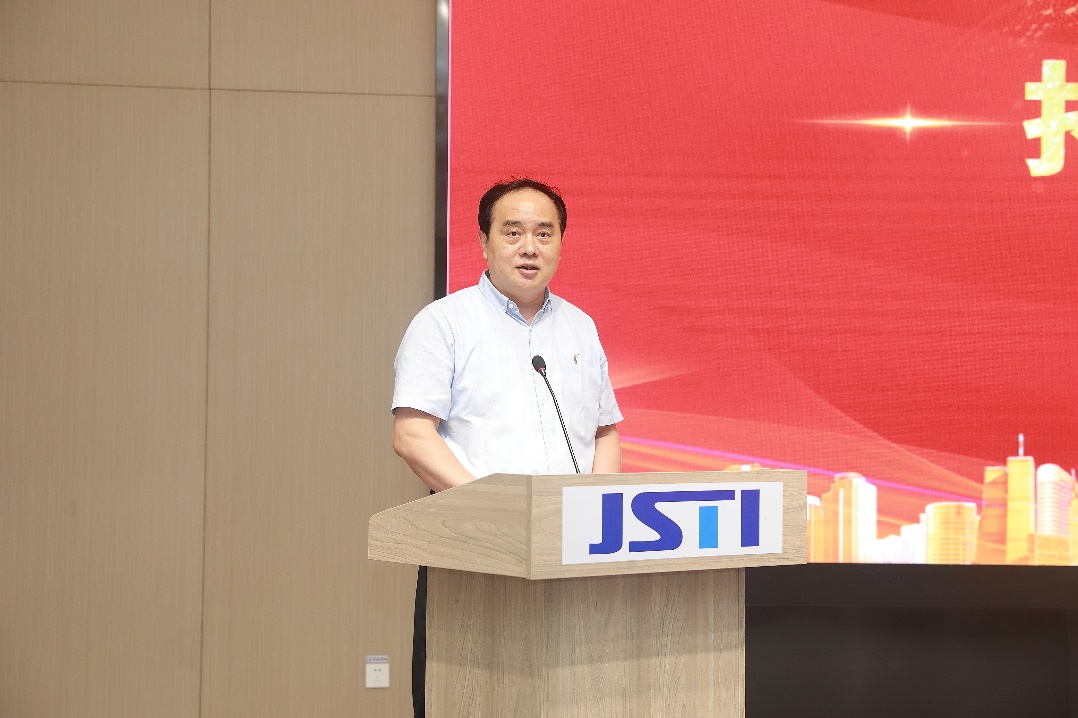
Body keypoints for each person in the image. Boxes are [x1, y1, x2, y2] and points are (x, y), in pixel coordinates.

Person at [390, 177, 622, 717]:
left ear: (560, 243)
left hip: (569, 550)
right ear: (484, 241)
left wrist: (600, 512)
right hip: (475, 546)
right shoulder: (443, 323)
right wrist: (496, 513)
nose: (529, 247)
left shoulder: (581, 327)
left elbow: (604, 431)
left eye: (544, 233)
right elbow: (412, 435)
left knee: (570, 696)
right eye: (512, 232)